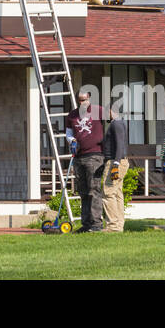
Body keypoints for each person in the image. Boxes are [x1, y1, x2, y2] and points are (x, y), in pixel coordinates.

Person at [67, 91, 106, 232]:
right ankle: (86, 223)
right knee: (83, 191)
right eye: (80, 100)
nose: (82, 102)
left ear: (89, 98)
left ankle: (96, 224)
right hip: (79, 157)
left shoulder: (98, 110)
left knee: (94, 190)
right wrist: (71, 141)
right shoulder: (72, 115)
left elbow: (115, 119)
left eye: (85, 99)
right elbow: (69, 133)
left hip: (95, 156)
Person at [101, 107, 128, 233]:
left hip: (115, 161)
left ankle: (113, 225)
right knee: (117, 193)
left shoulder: (116, 124)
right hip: (118, 161)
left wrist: (115, 164)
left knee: (108, 192)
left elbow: (119, 144)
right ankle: (118, 225)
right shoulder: (119, 123)